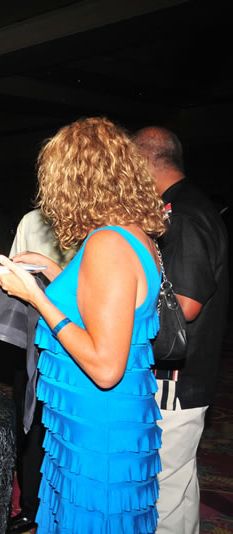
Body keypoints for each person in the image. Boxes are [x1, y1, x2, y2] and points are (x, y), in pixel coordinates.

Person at [0, 117, 166, 533]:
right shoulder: (132, 234)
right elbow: (104, 308)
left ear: (74, 180)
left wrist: (35, 297)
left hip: (98, 430)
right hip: (100, 422)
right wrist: (53, 271)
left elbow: (105, 368)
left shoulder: (108, 243)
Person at [133, 126, 229, 534]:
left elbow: (185, 305)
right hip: (187, 373)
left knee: (161, 492)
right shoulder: (182, 205)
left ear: (143, 161)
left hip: (175, 377)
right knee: (179, 485)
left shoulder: (184, 214)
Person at [5, 207, 77, 534]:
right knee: (30, 424)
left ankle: (61, 507)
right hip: (33, 336)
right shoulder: (31, 221)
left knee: (64, 430)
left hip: (77, 341)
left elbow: (84, 298)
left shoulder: (103, 229)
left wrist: (46, 270)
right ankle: (31, 507)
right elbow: (9, 275)